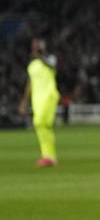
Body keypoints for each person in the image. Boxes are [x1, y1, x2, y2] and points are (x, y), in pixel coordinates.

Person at [18, 38, 60, 167]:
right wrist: (24, 100)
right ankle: (49, 156)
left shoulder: (50, 59)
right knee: (44, 126)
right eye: (33, 46)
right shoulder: (32, 64)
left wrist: (39, 57)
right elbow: (30, 83)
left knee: (39, 122)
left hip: (49, 95)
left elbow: (53, 66)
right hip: (37, 98)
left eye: (37, 45)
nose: (35, 48)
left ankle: (48, 156)